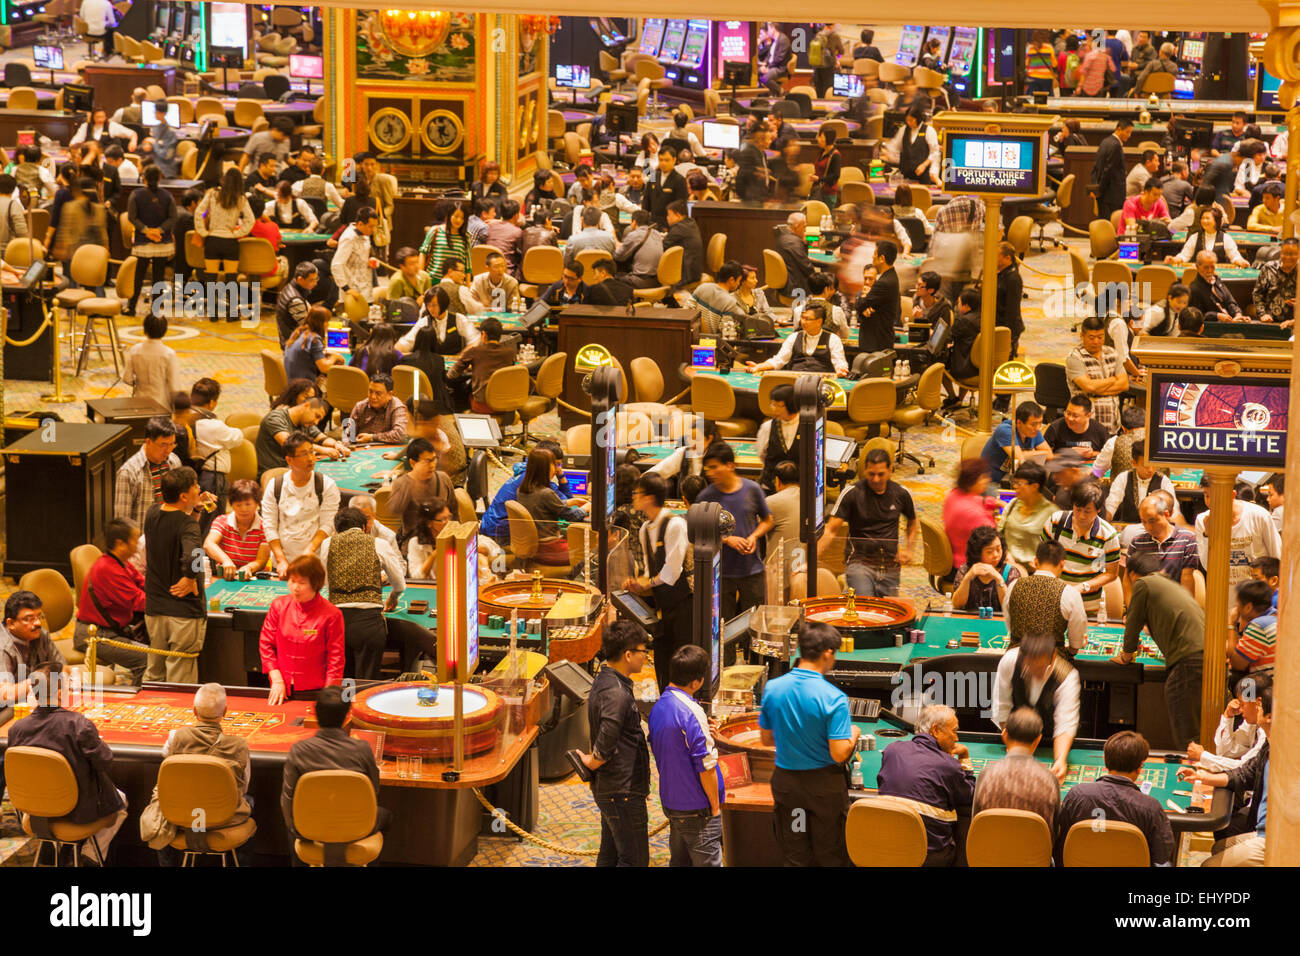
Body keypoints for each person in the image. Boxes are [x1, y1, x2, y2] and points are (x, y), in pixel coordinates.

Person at [758, 621, 859, 866]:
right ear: (827, 653)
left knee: (797, 853)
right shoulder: (834, 698)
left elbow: (766, 739)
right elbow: (838, 754)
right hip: (823, 792)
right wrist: (853, 734)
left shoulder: (773, 688)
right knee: (829, 854)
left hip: (790, 789)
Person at [8, 663, 127, 863]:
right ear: (61, 692)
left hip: (34, 814)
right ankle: (89, 856)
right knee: (121, 802)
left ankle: (58, 853)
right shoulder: (78, 724)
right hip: (77, 815)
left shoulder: (16, 729)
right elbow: (105, 761)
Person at [147, 683, 252, 862]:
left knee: (163, 806)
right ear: (225, 712)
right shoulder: (239, 746)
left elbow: (168, 767)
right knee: (249, 800)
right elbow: (243, 788)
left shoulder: (175, 737)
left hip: (181, 816)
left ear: (194, 711)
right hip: (223, 819)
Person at [281, 684, 390, 853]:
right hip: (356, 828)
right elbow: (373, 792)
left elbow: (288, 798)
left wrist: (297, 830)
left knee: (291, 828)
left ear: (316, 713)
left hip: (310, 829)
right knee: (386, 816)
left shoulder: (299, 750)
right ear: (347, 715)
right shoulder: (362, 749)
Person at [1112, 552, 1204, 746]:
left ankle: (1192, 771)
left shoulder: (1143, 584)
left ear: (1131, 574)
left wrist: (1126, 656)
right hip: (1205, 657)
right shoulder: (1170, 584)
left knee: (1188, 731)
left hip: (1188, 660)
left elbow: (1133, 624)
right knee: (1199, 725)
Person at [579, 622, 652, 867]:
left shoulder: (608, 680)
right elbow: (606, 740)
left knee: (610, 855)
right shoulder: (615, 693)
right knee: (635, 860)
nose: (646, 657)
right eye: (643, 651)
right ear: (628, 654)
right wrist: (593, 759)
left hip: (616, 788)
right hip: (621, 791)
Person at [1054, 731, 1175, 865]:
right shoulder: (1151, 807)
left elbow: (1061, 843)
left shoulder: (1076, 795)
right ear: (1140, 767)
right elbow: (1163, 855)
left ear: (1104, 760)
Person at [876, 704, 974, 866]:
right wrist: (964, 757)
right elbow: (968, 795)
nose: (956, 738)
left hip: (888, 849)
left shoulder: (892, 750)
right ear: (935, 730)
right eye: (954, 731)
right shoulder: (949, 765)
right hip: (930, 857)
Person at [622, 473, 692, 690]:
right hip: (662, 606)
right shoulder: (645, 529)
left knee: (682, 663)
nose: (634, 496)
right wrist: (636, 583)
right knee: (662, 660)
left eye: (638, 493)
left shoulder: (675, 525)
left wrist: (646, 583)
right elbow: (650, 571)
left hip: (684, 603)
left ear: (649, 498)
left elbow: (671, 572)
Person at [820, 448, 917, 597]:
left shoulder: (901, 493)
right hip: (859, 563)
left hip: (890, 565)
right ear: (865, 471)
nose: (876, 479)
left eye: (881, 474)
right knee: (866, 606)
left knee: (887, 612)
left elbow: (912, 522)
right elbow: (831, 530)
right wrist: (811, 559)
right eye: (871, 474)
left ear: (890, 470)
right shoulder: (852, 493)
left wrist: (909, 549)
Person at [143, 468, 207, 683]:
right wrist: (190, 577)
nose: (200, 489)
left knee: (154, 672)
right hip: (183, 611)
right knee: (180, 677)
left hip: (155, 608)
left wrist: (195, 509)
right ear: (184, 496)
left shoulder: (151, 513)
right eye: (196, 486)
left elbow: (179, 531)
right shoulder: (187, 525)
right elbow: (195, 555)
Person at [992, 630, 1080, 784]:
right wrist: (1015, 749)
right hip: (1014, 736)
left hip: (1047, 740)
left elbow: (1065, 722)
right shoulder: (1010, 661)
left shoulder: (1067, 677)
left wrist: (1060, 760)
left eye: (1040, 668)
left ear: (1053, 657)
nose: (1036, 673)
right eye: (1030, 667)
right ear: (1023, 656)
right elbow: (1002, 708)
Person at [698, 442, 773, 620]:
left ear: (730, 465)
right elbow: (699, 533)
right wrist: (726, 540)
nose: (710, 473)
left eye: (715, 467)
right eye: (707, 468)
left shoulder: (752, 490)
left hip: (752, 569)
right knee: (723, 626)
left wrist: (754, 536)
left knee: (755, 623)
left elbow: (768, 521)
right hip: (720, 572)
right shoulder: (705, 497)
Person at [258, 554, 344, 704]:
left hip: (317, 692)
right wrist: (276, 679)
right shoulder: (278, 606)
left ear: (315, 584)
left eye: (302, 583)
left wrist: (329, 695)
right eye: (292, 581)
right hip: (281, 689)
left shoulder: (332, 614)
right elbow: (266, 644)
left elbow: (335, 659)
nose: (295, 588)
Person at [73, 519, 147, 683]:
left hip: (109, 630)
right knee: (148, 658)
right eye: (135, 539)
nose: (138, 544)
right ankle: (139, 702)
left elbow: (143, 583)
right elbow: (140, 601)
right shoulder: (109, 569)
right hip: (94, 635)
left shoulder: (121, 563)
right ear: (121, 544)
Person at [972, 706, 1060, 834]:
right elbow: (1055, 832)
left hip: (990, 853)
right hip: (1035, 853)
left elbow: (975, 824)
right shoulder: (1050, 779)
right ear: (1038, 739)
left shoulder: (986, 775)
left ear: (1005, 735)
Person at [262, 434, 341, 573]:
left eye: (311, 451)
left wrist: (308, 553)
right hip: (282, 563)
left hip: (315, 562)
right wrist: (281, 560)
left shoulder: (326, 485)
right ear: (289, 460)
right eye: (304, 454)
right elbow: (269, 526)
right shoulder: (275, 486)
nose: (311, 458)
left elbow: (328, 525)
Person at [1041, 479, 1120, 616]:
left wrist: (1083, 587)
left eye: (1088, 511)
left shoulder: (1108, 535)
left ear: (1099, 509)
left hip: (1088, 606)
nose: (1082, 516)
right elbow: (1043, 559)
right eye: (1078, 509)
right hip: (1054, 600)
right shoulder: (1055, 522)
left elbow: (1111, 574)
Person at [1002, 539, 1088, 652]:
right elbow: (1076, 640)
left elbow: (1010, 624)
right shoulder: (1070, 593)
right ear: (1062, 564)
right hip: (1052, 663)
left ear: (1036, 562)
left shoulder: (1013, 586)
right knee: (1071, 670)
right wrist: (1074, 648)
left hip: (1014, 659)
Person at [195, 168, 255, 320]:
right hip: (230, 242)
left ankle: (213, 314)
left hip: (213, 240)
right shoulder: (241, 198)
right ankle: (232, 314)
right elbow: (250, 220)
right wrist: (237, 233)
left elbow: (199, 213)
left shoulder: (212, 194)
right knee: (231, 278)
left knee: (211, 278)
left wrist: (203, 231)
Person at [1193, 489, 1281, 585]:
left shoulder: (1260, 515)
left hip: (1256, 593)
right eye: (1207, 496)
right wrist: (1208, 534)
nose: (1211, 502)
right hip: (1222, 592)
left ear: (1232, 495)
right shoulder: (1203, 520)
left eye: (1217, 496)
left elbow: (1277, 557)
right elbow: (1208, 566)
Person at [1188, 674, 1269, 772]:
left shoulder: (1267, 732)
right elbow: (1225, 752)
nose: (1241, 710)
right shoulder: (1252, 725)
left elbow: (1244, 768)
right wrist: (1228, 717)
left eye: (1243, 704)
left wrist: (1202, 755)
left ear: (1258, 703)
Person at [1126, 493, 1200, 598]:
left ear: (1166, 515)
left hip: (1174, 604)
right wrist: (1132, 610)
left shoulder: (1187, 539)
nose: (1148, 527)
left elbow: (1187, 579)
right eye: (1143, 522)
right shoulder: (1137, 542)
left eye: (1152, 521)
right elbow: (1128, 580)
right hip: (1145, 604)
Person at [113, 416, 181, 530]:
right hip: (143, 541)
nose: (168, 450)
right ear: (148, 441)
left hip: (169, 534)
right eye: (163, 445)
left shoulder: (174, 462)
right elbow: (122, 521)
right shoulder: (129, 472)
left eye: (172, 444)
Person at [747, 301, 848, 376]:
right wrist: (759, 366)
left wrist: (841, 370)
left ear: (819, 321)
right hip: (794, 379)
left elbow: (840, 362)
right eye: (802, 318)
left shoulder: (833, 339)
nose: (803, 322)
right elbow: (779, 360)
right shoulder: (794, 337)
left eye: (808, 319)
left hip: (821, 381)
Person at [1065, 315, 1127, 435]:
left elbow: (1124, 384)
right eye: (1091, 337)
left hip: (1113, 425)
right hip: (1085, 428)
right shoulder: (1075, 358)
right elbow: (1089, 387)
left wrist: (1095, 388)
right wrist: (1113, 379)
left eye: (1100, 337)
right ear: (1082, 336)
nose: (1096, 341)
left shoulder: (1112, 353)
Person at [254, 394, 345, 474]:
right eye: (316, 416)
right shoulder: (275, 418)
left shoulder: (305, 423)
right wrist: (323, 450)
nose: (316, 422)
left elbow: (322, 438)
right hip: (272, 473)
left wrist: (336, 444)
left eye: (319, 419)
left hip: (293, 469)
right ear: (306, 406)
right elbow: (290, 444)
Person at [386, 436, 455, 541]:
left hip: (443, 540)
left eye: (434, 459)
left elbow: (454, 512)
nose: (432, 465)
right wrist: (414, 485)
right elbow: (394, 510)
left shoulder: (443, 478)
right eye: (427, 461)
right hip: (414, 544)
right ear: (413, 463)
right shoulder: (402, 483)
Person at [448, 317, 516, 413]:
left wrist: (471, 368)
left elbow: (452, 374)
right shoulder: (510, 353)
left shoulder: (474, 351)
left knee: (459, 393)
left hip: (482, 406)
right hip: (504, 403)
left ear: (483, 334)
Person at [204, 478, 270, 578]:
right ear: (231, 505)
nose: (244, 509)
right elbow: (208, 544)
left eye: (248, 504)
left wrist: (249, 568)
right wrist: (226, 560)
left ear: (257, 504)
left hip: (253, 578)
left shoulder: (265, 526)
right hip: (225, 577)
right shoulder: (222, 521)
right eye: (238, 505)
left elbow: (261, 560)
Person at [942, 458, 999, 569]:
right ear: (971, 481)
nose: (988, 480)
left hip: (956, 555)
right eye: (983, 477)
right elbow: (995, 538)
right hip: (969, 567)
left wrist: (993, 503)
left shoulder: (953, 494)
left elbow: (976, 500)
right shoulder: (974, 514)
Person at [999, 461, 1056, 568]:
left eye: (1019, 483)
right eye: (1014, 482)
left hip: (1033, 573)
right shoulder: (1013, 504)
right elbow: (1000, 534)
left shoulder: (1051, 513)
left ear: (1034, 486)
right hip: (1008, 569)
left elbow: (1054, 549)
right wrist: (1006, 553)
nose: (1014, 486)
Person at [1104, 441, 1175, 525]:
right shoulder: (1123, 478)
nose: (1151, 470)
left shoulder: (1164, 481)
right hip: (1128, 530)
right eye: (1146, 465)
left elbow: (1173, 513)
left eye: (1153, 464)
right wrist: (1104, 525)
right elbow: (1110, 506)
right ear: (1134, 463)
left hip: (1155, 530)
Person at [951, 527, 1021, 612]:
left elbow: (1010, 608)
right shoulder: (966, 569)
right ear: (977, 553)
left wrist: (999, 579)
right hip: (970, 621)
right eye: (989, 551)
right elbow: (957, 604)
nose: (996, 555)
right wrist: (968, 577)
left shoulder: (1011, 572)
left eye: (999, 549)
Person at [120, 312, 179, 410]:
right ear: (164, 331)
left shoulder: (135, 350)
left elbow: (127, 378)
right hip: (162, 404)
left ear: (145, 329)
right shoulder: (169, 354)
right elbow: (174, 385)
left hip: (139, 403)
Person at [983, 401, 1051, 486]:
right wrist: (1034, 454)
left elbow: (1049, 455)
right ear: (1019, 423)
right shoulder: (1005, 430)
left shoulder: (1034, 431)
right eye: (1033, 424)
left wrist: (1026, 454)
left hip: (1013, 480)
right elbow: (1020, 459)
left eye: (1040, 423)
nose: (1038, 428)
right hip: (989, 481)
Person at [754, 384, 803, 493]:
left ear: (791, 406)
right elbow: (762, 455)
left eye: (778, 405)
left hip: (800, 489)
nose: (773, 409)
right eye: (772, 404)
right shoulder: (767, 427)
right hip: (771, 487)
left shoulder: (808, 426)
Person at [854, 240, 902, 352]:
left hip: (876, 343)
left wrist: (864, 296)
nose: (872, 257)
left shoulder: (883, 283)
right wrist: (866, 306)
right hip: (879, 340)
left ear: (882, 258)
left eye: (875, 254)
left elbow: (860, 305)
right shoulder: (891, 276)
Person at [883, 103, 941, 185]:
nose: (909, 122)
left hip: (923, 176)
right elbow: (894, 146)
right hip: (906, 175)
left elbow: (934, 152)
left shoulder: (929, 131)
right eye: (907, 120)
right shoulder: (903, 130)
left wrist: (924, 165)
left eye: (911, 120)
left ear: (918, 118)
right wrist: (888, 154)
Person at [1229, 579, 1277, 677]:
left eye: (1238, 603)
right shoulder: (1276, 616)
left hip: (1266, 687)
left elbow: (1237, 664)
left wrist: (1231, 624)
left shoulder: (1259, 626)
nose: (1236, 607)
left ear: (1248, 607)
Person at [331, 207, 379, 305]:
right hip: (352, 292)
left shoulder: (365, 234)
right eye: (370, 226)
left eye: (375, 226)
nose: (373, 230)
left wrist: (370, 261)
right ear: (360, 224)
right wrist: (346, 288)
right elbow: (336, 265)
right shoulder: (348, 238)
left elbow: (361, 256)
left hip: (366, 288)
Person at [345, 372, 408, 445]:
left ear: (390, 395)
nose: (373, 397)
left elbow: (400, 435)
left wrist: (372, 437)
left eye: (378, 393)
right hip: (361, 448)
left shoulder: (397, 407)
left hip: (387, 448)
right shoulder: (360, 406)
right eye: (370, 392)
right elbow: (348, 435)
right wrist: (344, 447)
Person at [687, 261, 748, 334]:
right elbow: (724, 332)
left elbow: (686, 311)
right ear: (731, 280)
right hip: (712, 343)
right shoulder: (730, 302)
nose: (738, 284)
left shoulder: (702, 287)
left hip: (691, 339)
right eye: (739, 281)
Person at [420, 199, 470, 284]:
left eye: (462, 218)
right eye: (456, 216)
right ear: (449, 215)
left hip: (455, 282)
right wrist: (421, 276)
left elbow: (468, 263)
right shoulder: (435, 230)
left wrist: (468, 285)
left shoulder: (466, 236)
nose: (459, 220)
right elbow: (423, 253)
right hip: (433, 280)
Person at [1044, 395, 1109, 460]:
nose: (1070, 418)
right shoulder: (1055, 428)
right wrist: (1068, 454)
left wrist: (1092, 454)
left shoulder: (1100, 430)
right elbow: (1043, 455)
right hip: (1062, 466)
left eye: (1075, 416)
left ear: (1088, 415)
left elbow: (1109, 454)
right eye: (1068, 413)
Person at [1092, 118, 1133, 221]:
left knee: (1104, 221)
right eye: (1127, 132)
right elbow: (1108, 171)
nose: (1129, 136)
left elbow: (1096, 167)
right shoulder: (1116, 145)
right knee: (1111, 224)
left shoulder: (1105, 141)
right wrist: (1101, 189)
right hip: (1112, 194)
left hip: (1104, 193)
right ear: (1119, 129)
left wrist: (1096, 189)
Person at [1252, 236, 1298, 327]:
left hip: (1295, 324)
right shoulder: (1269, 268)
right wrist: (1263, 314)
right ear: (1280, 253)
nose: (1288, 257)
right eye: (1285, 253)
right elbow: (1257, 294)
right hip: (1270, 322)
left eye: (1292, 254)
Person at [614, 209, 664, 288]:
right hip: (657, 280)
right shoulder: (657, 234)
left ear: (634, 222)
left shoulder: (634, 235)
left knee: (612, 278)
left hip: (640, 281)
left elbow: (618, 257)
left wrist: (617, 245)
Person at [772, 211, 817, 299]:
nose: (805, 230)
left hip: (789, 284)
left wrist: (804, 242)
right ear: (797, 227)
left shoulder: (783, 236)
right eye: (804, 227)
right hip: (796, 288)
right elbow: (807, 268)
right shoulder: (793, 242)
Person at [662, 200, 704, 292]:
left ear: (677, 215)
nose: (667, 218)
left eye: (669, 214)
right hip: (695, 271)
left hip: (686, 275)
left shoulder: (679, 228)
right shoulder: (690, 223)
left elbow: (661, 248)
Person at [404, 499, 452, 578]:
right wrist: (434, 555)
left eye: (449, 517)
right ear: (429, 523)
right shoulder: (416, 542)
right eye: (443, 519)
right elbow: (416, 576)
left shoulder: (456, 535)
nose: (448, 522)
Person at [758, 21, 792, 95]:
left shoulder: (783, 40)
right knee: (757, 71)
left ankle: (780, 91)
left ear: (773, 28)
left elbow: (779, 58)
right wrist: (764, 64)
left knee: (764, 79)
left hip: (780, 68)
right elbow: (770, 55)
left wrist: (768, 68)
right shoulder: (775, 40)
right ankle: (766, 94)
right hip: (773, 66)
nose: (768, 32)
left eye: (769, 29)